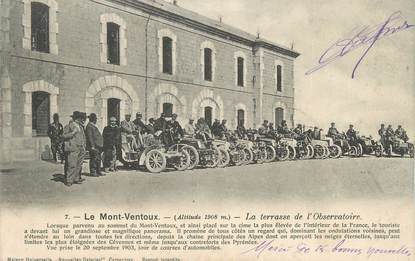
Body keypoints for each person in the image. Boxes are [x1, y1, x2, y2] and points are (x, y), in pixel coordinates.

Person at [62, 111, 86, 186]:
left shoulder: (81, 126)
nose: (82, 120)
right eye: (80, 118)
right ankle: (69, 180)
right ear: (76, 118)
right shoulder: (69, 126)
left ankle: (76, 178)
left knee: (79, 164)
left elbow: (83, 136)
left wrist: (84, 145)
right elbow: (63, 136)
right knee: (72, 164)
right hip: (73, 148)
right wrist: (72, 133)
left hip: (81, 148)